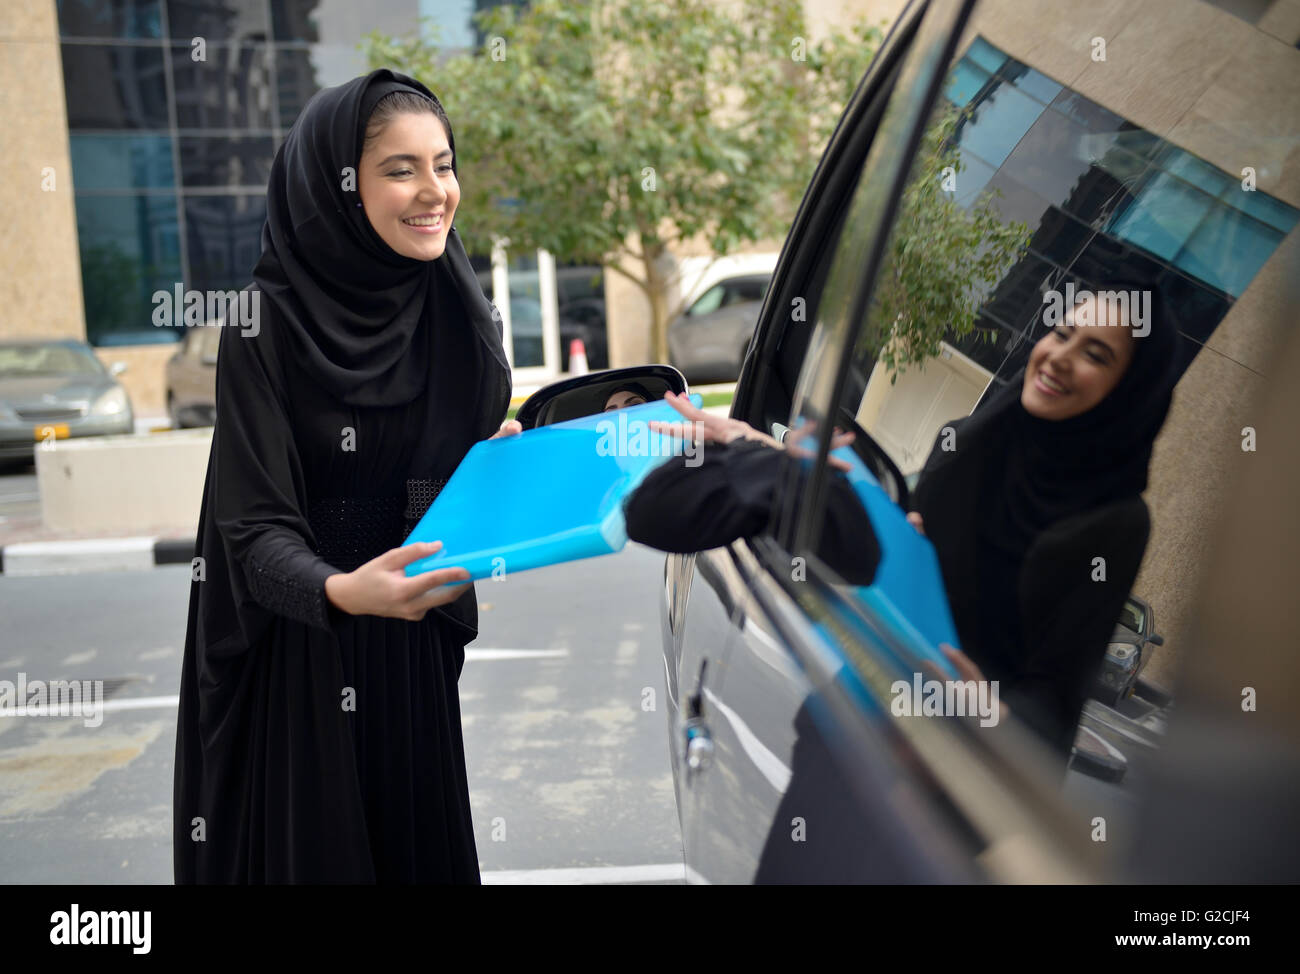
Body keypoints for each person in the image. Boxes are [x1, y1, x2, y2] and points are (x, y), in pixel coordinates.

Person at [173, 70, 520, 884]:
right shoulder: (263, 327)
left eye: (444, 163)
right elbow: (253, 531)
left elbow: (444, 472)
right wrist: (341, 592)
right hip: (300, 654)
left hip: (410, 652)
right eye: (401, 170)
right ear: (337, 187)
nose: (434, 191)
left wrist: (497, 466)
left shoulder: (448, 305)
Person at [908, 283, 1180, 760]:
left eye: (1094, 355)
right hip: (864, 693)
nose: (1059, 357)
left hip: (959, 768)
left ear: (1132, 391)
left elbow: (1056, 698)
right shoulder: (962, 445)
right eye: (1061, 333)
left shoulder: (1115, 521)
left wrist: (989, 714)